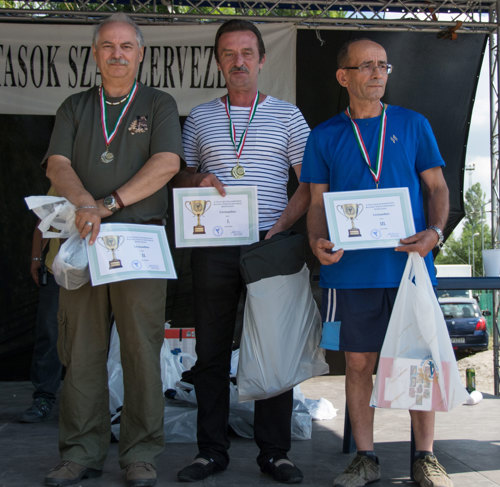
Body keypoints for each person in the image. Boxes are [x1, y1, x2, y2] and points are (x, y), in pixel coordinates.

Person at [301, 38, 452, 487]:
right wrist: (315, 240)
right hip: (350, 273)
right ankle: (365, 458)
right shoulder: (324, 135)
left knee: (418, 362)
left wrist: (435, 232)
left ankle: (425, 457)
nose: (377, 73)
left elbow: (438, 188)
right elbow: (316, 202)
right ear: (343, 76)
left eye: (383, 65)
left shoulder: (413, 124)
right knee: (357, 364)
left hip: (408, 270)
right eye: (366, 65)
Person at [42, 13, 183, 487]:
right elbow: (57, 164)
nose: (117, 54)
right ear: (95, 54)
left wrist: (106, 204)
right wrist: (85, 204)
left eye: (126, 46)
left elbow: (167, 163)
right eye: (108, 46)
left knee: (141, 351)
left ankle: (140, 454)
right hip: (83, 239)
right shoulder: (75, 106)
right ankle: (80, 452)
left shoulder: (158, 103)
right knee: (81, 351)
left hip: (138, 242)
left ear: (140, 53)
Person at [172, 19, 311, 485]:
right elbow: (181, 176)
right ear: (218, 61)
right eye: (229, 54)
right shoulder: (200, 117)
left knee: (272, 349)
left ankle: (275, 453)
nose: (239, 62)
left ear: (262, 59)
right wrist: (197, 179)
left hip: (269, 244)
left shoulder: (288, 115)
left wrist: (281, 226)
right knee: (210, 351)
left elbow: (310, 182)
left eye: (247, 53)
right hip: (213, 245)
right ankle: (211, 451)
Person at [19, 215, 61, 423]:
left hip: (99, 272)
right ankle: (43, 397)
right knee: (49, 334)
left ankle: (102, 404)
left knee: (99, 337)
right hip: (57, 271)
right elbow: (43, 217)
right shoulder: (63, 189)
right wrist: (36, 257)